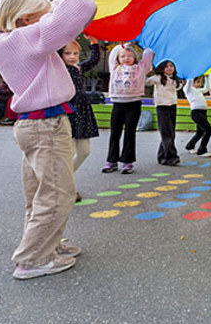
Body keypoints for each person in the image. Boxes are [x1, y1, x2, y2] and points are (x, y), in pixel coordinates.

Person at [0, 0, 101, 280]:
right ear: (24, 20)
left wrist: (55, 7)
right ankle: (33, 259)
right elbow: (63, 20)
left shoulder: (10, 40)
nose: (45, 21)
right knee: (59, 192)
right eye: (39, 17)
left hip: (34, 125)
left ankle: (48, 245)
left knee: (39, 194)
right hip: (45, 125)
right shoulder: (23, 40)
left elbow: (54, 17)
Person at [59, 35, 101, 201]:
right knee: (69, 152)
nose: (72, 57)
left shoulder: (77, 69)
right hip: (67, 112)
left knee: (84, 151)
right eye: (67, 53)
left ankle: (62, 181)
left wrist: (94, 43)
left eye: (75, 54)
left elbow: (93, 61)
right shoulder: (58, 70)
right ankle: (68, 188)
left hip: (82, 112)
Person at [104, 42, 154, 174]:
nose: (126, 58)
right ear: (118, 59)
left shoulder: (140, 68)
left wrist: (143, 42)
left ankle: (127, 162)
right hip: (118, 104)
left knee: (129, 133)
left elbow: (148, 55)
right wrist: (126, 42)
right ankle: (111, 161)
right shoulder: (114, 68)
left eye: (129, 56)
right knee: (115, 133)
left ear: (135, 58)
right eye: (123, 56)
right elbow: (115, 51)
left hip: (134, 103)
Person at [146, 60, 184, 167]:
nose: (169, 68)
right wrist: (146, 72)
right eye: (167, 66)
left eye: (172, 66)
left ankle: (162, 156)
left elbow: (177, 88)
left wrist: (183, 83)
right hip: (162, 107)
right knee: (166, 132)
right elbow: (146, 82)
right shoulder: (157, 78)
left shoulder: (174, 79)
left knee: (170, 132)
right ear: (162, 68)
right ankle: (171, 157)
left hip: (172, 106)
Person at [183, 76, 211, 158]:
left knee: (200, 132)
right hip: (196, 112)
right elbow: (189, 82)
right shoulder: (188, 89)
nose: (199, 84)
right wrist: (192, 75)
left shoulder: (198, 91)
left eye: (200, 82)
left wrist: (207, 78)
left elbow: (207, 88)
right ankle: (202, 150)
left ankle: (190, 146)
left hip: (203, 112)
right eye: (198, 82)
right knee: (208, 130)